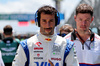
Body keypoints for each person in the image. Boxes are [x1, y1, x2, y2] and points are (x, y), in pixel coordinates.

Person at [12, 5, 79, 66]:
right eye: (44, 21)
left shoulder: (67, 45)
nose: (48, 25)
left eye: (51, 21)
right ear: (38, 22)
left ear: (56, 22)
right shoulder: (26, 45)